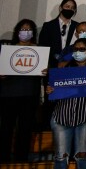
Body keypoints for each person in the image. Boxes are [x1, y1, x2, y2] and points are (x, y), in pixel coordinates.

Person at [45, 38, 86, 169]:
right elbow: (53, 89)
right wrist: (50, 89)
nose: (78, 52)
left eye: (82, 49)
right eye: (75, 49)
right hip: (62, 116)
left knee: (82, 157)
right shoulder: (63, 68)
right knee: (61, 158)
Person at [0, 19, 43, 163]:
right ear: (17, 31)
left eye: (29, 29)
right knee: (6, 128)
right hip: (8, 94)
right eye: (23, 29)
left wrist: (45, 71)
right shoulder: (7, 49)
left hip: (29, 95)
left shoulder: (39, 50)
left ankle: (21, 159)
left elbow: (45, 70)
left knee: (25, 130)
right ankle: (3, 158)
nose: (26, 32)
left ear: (33, 33)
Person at [39, 0, 79, 68]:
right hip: (52, 65)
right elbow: (43, 46)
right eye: (67, 6)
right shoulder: (48, 26)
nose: (70, 9)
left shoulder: (77, 26)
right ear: (60, 8)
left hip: (71, 65)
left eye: (72, 8)